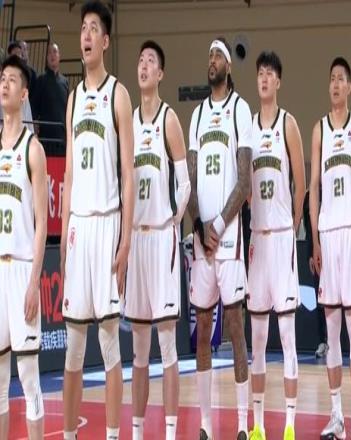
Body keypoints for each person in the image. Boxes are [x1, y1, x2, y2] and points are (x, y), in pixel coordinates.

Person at [60, 2, 134, 439]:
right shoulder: (72, 99)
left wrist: (124, 240)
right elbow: (68, 174)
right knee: (72, 348)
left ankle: (111, 435)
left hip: (107, 223)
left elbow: (128, 173)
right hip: (78, 227)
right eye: (83, 28)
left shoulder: (117, 94)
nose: (86, 35)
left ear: (105, 41)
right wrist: (64, 234)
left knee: (109, 344)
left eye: (93, 28)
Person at [124, 39, 190, 440]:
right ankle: (135, 432)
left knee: (167, 348)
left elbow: (185, 184)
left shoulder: (169, 120)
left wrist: (172, 221)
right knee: (138, 352)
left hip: (161, 238)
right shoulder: (128, 122)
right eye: (141, 60)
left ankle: (168, 433)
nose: (144, 65)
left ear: (161, 73)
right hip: (135, 241)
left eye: (151, 61)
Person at [187, 37, 252, 440]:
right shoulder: (196, 116)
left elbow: (245, 182)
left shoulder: (240, 109)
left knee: (235, 326)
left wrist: (219, 225)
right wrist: (198, 225)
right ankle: (206, 425)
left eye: (217, 55)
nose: (211, 60)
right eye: (209, 55)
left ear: (228, 65)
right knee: (202, 329)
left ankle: (243, 423)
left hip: (228, 239)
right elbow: (190, 180)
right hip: (202, 241)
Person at [309, 56, 351, 440]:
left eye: (340, 78)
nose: (335, 84)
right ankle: (336, 415)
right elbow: (313, 187)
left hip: (350, 231)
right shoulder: (318, 129)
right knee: (331, 333)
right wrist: (314, 239)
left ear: (349, 86)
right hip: (327, 234)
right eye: (331, 78)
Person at [247, 50, 306, 440]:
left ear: (279, 81)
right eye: (260, 73)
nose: (265, 78)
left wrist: (293, 225)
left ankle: (289, 424)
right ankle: (256, 425)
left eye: (270, 73)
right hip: (258, 238)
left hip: (282, 237)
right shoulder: (248, 128)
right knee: (257, 340)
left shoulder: (289, 124)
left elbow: (301, 183)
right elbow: (244, 185)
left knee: (287, 337)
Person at [0, 55, 47, 440]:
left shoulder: (33, 149)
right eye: (2, 78)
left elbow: (42, 222)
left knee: (29, 379)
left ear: (25, 92)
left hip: (22, 271)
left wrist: (34, 283)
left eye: (13, 79)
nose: (5, 84)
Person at [303, 190, 328, 358]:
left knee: (336, 301)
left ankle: (336, 341)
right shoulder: (310, 196)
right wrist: (310, 253)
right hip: (317, 253)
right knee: (320, 299)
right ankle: (322, 341)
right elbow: (308, 227)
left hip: (333, 247)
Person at [33, 42, 69, 155]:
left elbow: (68, 110)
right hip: (45, 139)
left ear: (59, 56)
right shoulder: (41, 80)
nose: (52, 55)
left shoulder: (65, 82)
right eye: (49, 53)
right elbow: (34, 109)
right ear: (46, 58)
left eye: (55, 52)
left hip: (62, 138)